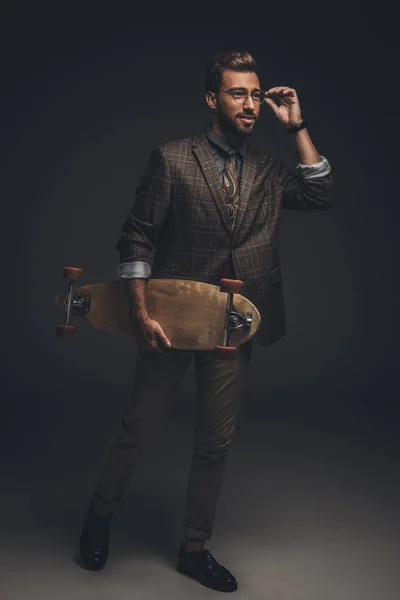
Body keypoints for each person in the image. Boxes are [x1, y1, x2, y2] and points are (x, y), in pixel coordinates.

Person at [78, 51, 333, 593]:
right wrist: (142, 313)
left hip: (234, 326)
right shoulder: (172, 159)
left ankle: (194, 547)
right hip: (170, 321)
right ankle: (99, 515)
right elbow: (136, 237)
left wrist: (298, 128)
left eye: (255, 94)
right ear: (212, 99)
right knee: (138, 430)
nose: (249, 104)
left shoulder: (267, 169)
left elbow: (320, 193)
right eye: (237, 94)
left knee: (214, 443)